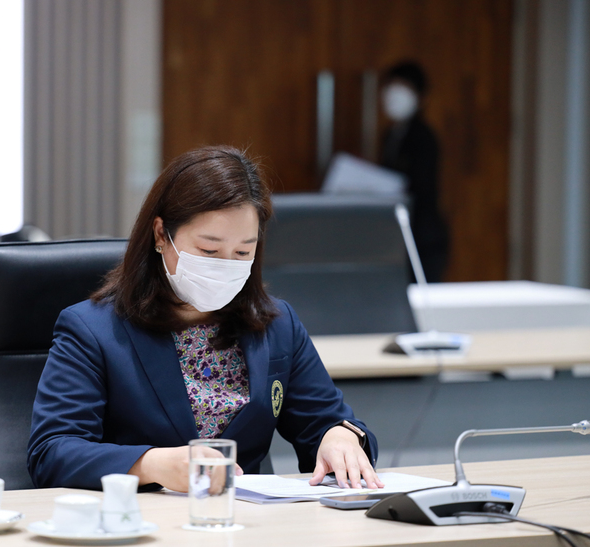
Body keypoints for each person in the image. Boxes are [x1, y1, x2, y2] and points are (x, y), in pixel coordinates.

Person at [28, 145, 383, 493]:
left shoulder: (277, 324)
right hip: (141, 518)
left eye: (242, 251)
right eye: (209, 250)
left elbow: (326, 421)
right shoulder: (92, 329)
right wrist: (151, 464)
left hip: (245, 519)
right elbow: (52, 452)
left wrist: (339, 436)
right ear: (160, 234)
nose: (226, 265)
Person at [380, 61, 450, 283]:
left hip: (422, 237)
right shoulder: (390, 135)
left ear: (421, 97)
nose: (395, 93)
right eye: (391, 85)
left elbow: (421, 186)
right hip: (398, 236)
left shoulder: (423, 136)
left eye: (404, 86)